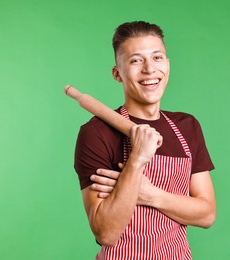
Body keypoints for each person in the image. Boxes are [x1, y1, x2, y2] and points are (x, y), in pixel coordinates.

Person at [74, 21, 216, 260]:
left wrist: (149, 195)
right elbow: (106, 232)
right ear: (117, 73)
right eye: (136, 60)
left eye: (157, 57)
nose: (150, 69)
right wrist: (137, 159)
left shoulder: (187, 126)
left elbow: (207, 214)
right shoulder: (97, 133)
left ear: (168, 65)